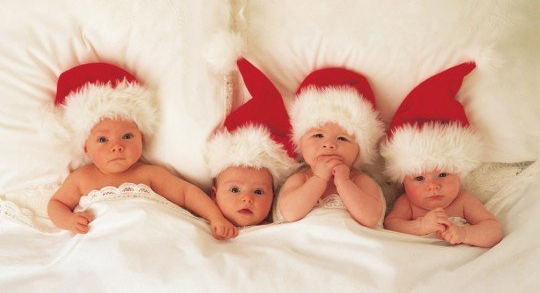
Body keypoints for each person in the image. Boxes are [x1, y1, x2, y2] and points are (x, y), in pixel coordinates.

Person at [47, 62, 237, 240]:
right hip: (104, 241)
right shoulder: (81, 178)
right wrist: (68, 220)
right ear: (86, 148)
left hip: (151, 236)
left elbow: (187, 194)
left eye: (127, 136)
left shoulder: (148, 174)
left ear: (142, 139)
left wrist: (216, 218)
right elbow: (57, 204)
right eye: (103, 139)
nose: (117, 146)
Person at [380, 62, 503, 247]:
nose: (433, 186)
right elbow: (390, 225)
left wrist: (464, 234)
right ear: (403, 181)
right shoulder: (408, 204)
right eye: (419, 178)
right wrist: (421, 225)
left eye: (443, 174)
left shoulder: (463, 201)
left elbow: (494, 231)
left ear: (459, 172)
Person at [276, 67, 386, 228]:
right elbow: (290, 214)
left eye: (342, 138)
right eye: (318, 135)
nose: (329, 144)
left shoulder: (361, 181)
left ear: (359, 150)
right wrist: (318, 179)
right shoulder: (300, 179)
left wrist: (344, 182)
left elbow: (370, 219)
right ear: (300, 143)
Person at [206, 58, 297, 227]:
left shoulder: (281, 225)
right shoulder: (204, 222)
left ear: (273, 197)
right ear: (214, 195)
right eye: (234, 190)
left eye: (258, 192)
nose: (247, 198)